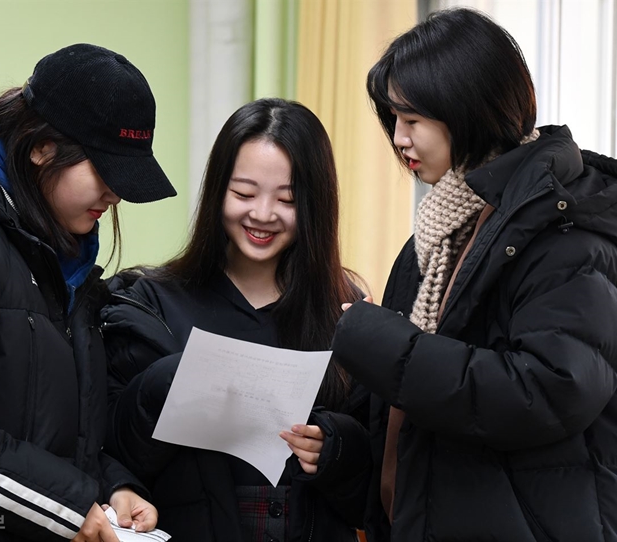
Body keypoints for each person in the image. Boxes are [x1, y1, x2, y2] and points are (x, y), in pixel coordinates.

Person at [331, 7, 617, 542]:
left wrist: (389, 347)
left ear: (468, 109)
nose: (398, 139)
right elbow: (404, 413)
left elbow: (553, 390)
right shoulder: (439, 232)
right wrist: (336, 445)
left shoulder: (563, 227)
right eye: (392, 120)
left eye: (412, 120)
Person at [100, 97, 372, 542]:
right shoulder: (149, 305)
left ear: (317, 205)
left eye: (287, 199)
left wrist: (334, 446)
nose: (262, 214)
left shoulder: (346, 314)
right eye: (243, 193)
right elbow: (108, 454)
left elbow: (381, 490)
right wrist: (165, 384)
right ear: (216, 191)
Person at [0, 43, 177, 541]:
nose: (115, 195)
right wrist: (66, 505)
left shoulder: (62, 258)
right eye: (105, 171)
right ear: (42, 146)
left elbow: (52, 428)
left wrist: (112, 489)